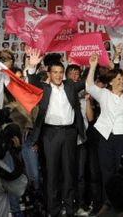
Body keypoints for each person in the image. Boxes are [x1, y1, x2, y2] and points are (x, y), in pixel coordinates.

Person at [26, 48, 86, 217]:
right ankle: (53, 210)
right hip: (50, 134)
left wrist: (92, 65)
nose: (59, 75)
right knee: (51, 173)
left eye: (61, 72)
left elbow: (87, 81)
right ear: (49, 74)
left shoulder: (70, 86)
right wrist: (32, 66)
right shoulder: (43, 88)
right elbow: (31, 84)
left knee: (69, 172)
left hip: (69, 133)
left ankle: (70, 208)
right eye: (55, 72)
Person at [86, 53, 123, 195]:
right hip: (106, 137)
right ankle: (108, 204)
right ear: (110, 82)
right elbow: (89, 86)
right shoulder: (104, 94)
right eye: (118, 79)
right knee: (107, 172)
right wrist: (92, 67)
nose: (121, 82)